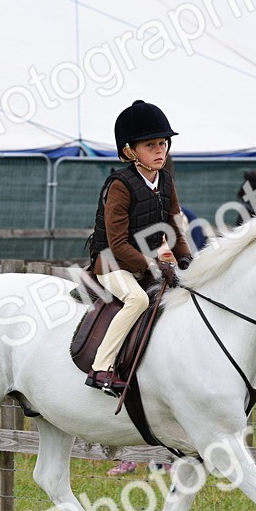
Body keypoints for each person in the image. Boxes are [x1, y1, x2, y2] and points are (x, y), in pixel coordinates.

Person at [86, 100, 192, 396]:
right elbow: (117, 244)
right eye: (151, 145)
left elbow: (174, 229)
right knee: (137, 301)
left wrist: (187, 262)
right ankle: (101, 368)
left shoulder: (166, 181)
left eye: (163, 143)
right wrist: (155, 266)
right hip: (110, 262)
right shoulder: (120, 185)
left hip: (143, 261)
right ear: (130, 152)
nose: (160, 150)